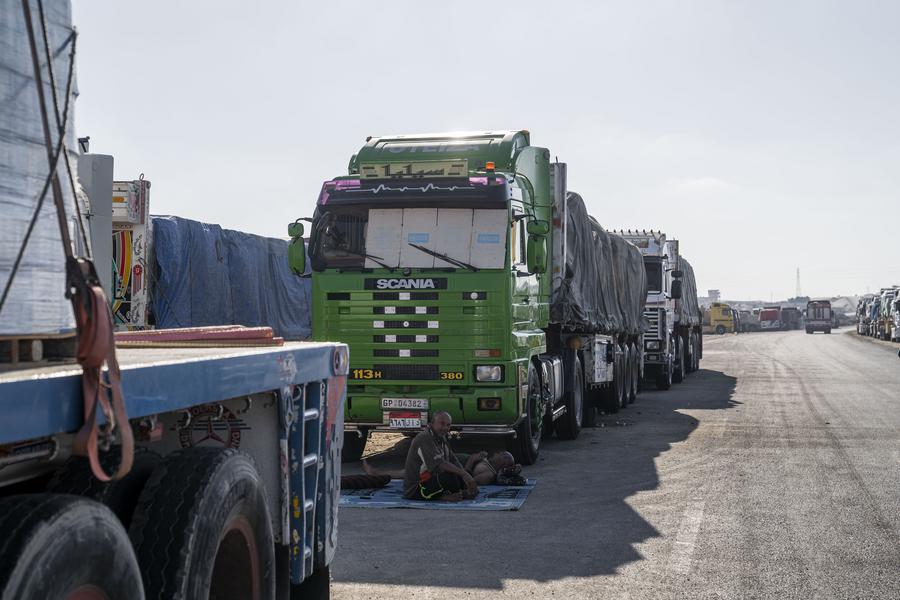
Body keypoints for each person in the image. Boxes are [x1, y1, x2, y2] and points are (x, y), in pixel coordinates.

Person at [401, 411, 478, 501]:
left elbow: (453, 459)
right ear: (431, 423)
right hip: (417, 488)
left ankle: (460, 493)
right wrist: (464, 474)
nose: (445, 427)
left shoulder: (441, 437)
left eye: (448, 425)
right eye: (442, 423)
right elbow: (440, 464)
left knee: (465, 477)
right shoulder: (424, 437)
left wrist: (466, 476)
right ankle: (443, 497)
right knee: (451, 477)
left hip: (433, 479)